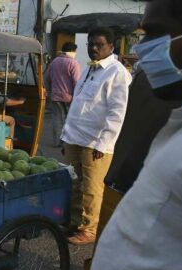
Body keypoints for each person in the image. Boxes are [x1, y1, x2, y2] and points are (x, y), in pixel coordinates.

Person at [60, 1, 182, 270]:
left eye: (154, 34)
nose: (140, 50)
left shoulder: (121, 76)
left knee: (91, 191)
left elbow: (114, 114)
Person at [59, 27, 132, 245]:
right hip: (74, 138)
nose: (93, 48)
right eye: (90, 44)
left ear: (111, 46)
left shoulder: (117, 73)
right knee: (73, 183)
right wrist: (65, 136)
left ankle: (89, 229)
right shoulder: (88, 70)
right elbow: (77, 106)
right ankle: (74, 222)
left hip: (95, 143)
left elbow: (117, 113)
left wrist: (104, 143)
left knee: (92, 188)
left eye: (99, 45)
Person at [45, 42, 82, 147]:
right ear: (72, 51)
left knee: (56, 119)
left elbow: (47, 78)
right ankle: (66, 142)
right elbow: (77, 82)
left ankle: (57, 142)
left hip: (55, 96)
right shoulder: (74, 63)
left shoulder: (54, 62)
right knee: (69, 120)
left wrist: (50, 91)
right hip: (69, 97)